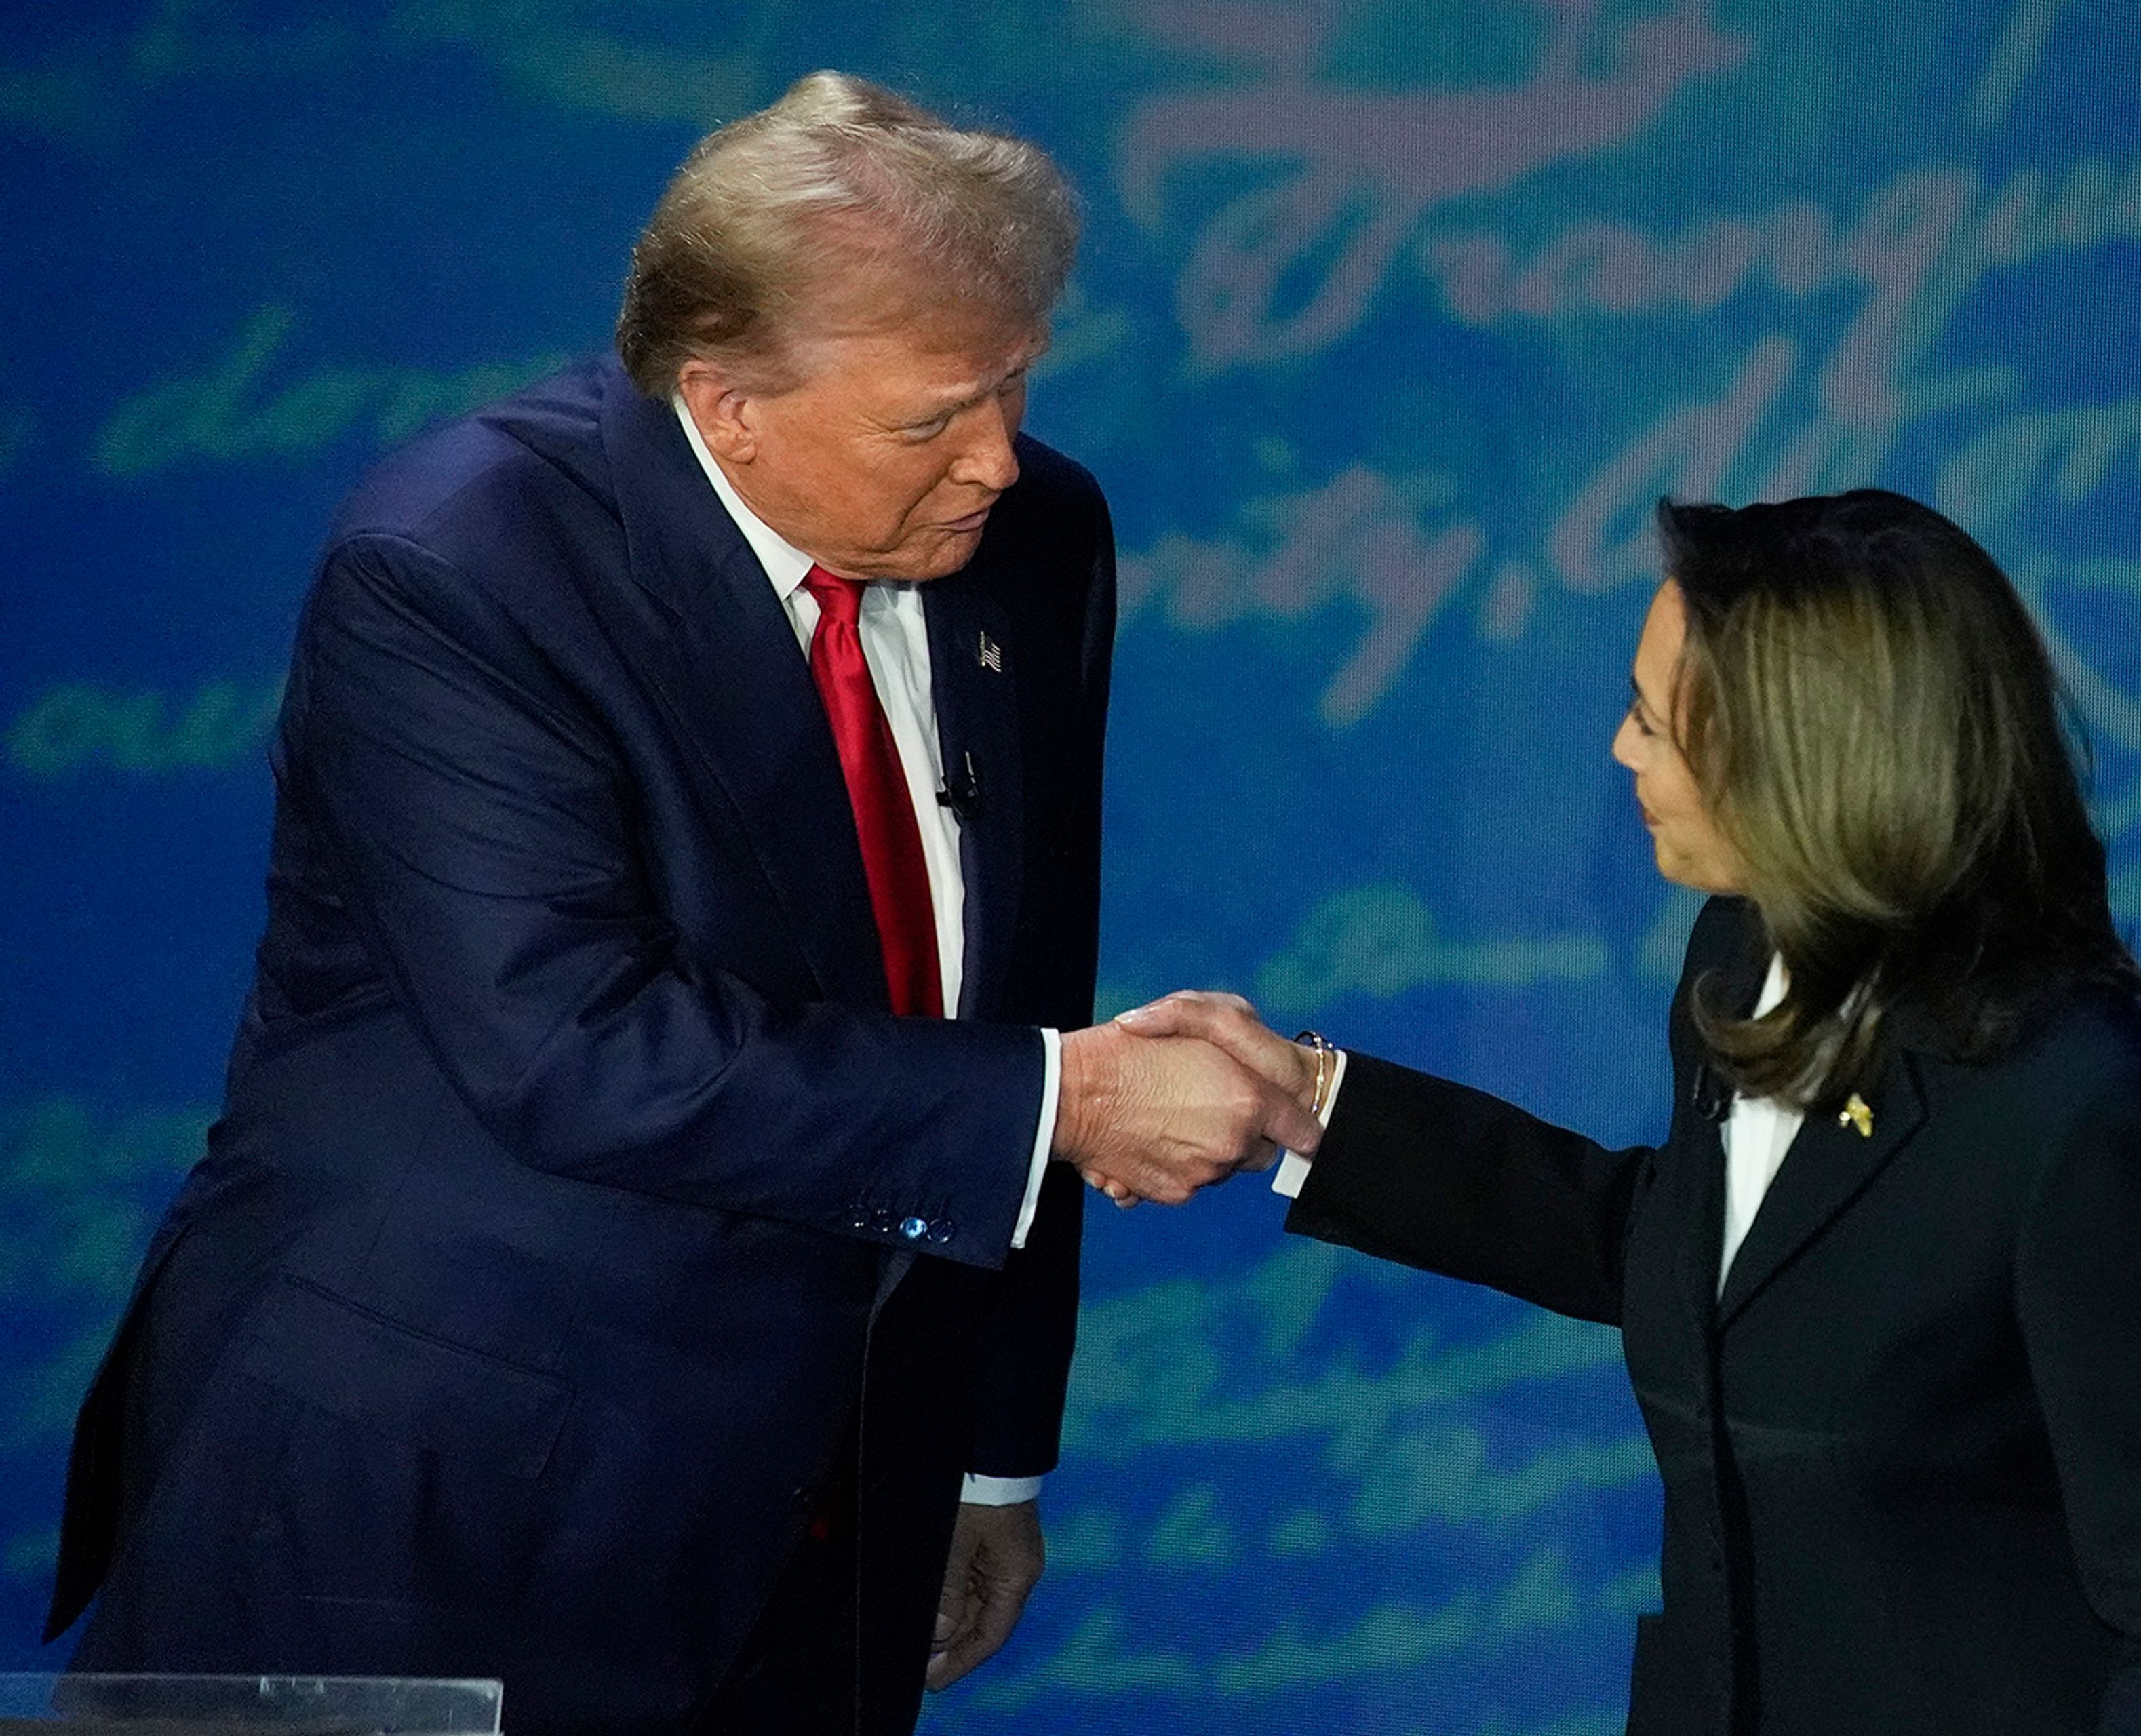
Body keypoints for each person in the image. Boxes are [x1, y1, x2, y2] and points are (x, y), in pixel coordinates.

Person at [46, 73, 1317, 1736]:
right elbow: (575, 1044)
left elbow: (1021, 974)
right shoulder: (462, 567)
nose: (999, 458)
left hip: (840, 1494)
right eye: (934, 418)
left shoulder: (1037, 535)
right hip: (443, 1488)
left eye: (1012, 383)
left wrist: (992, 1446)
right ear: (723, 405)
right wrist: (1074, 1101)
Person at [1127, 491, 2141, 1735]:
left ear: (1809, 766)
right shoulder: (1739, 954)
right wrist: (1316, 1109)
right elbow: (1705, 1259)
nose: (1624, 753)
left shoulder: (2087, 1121)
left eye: (1652, 721)